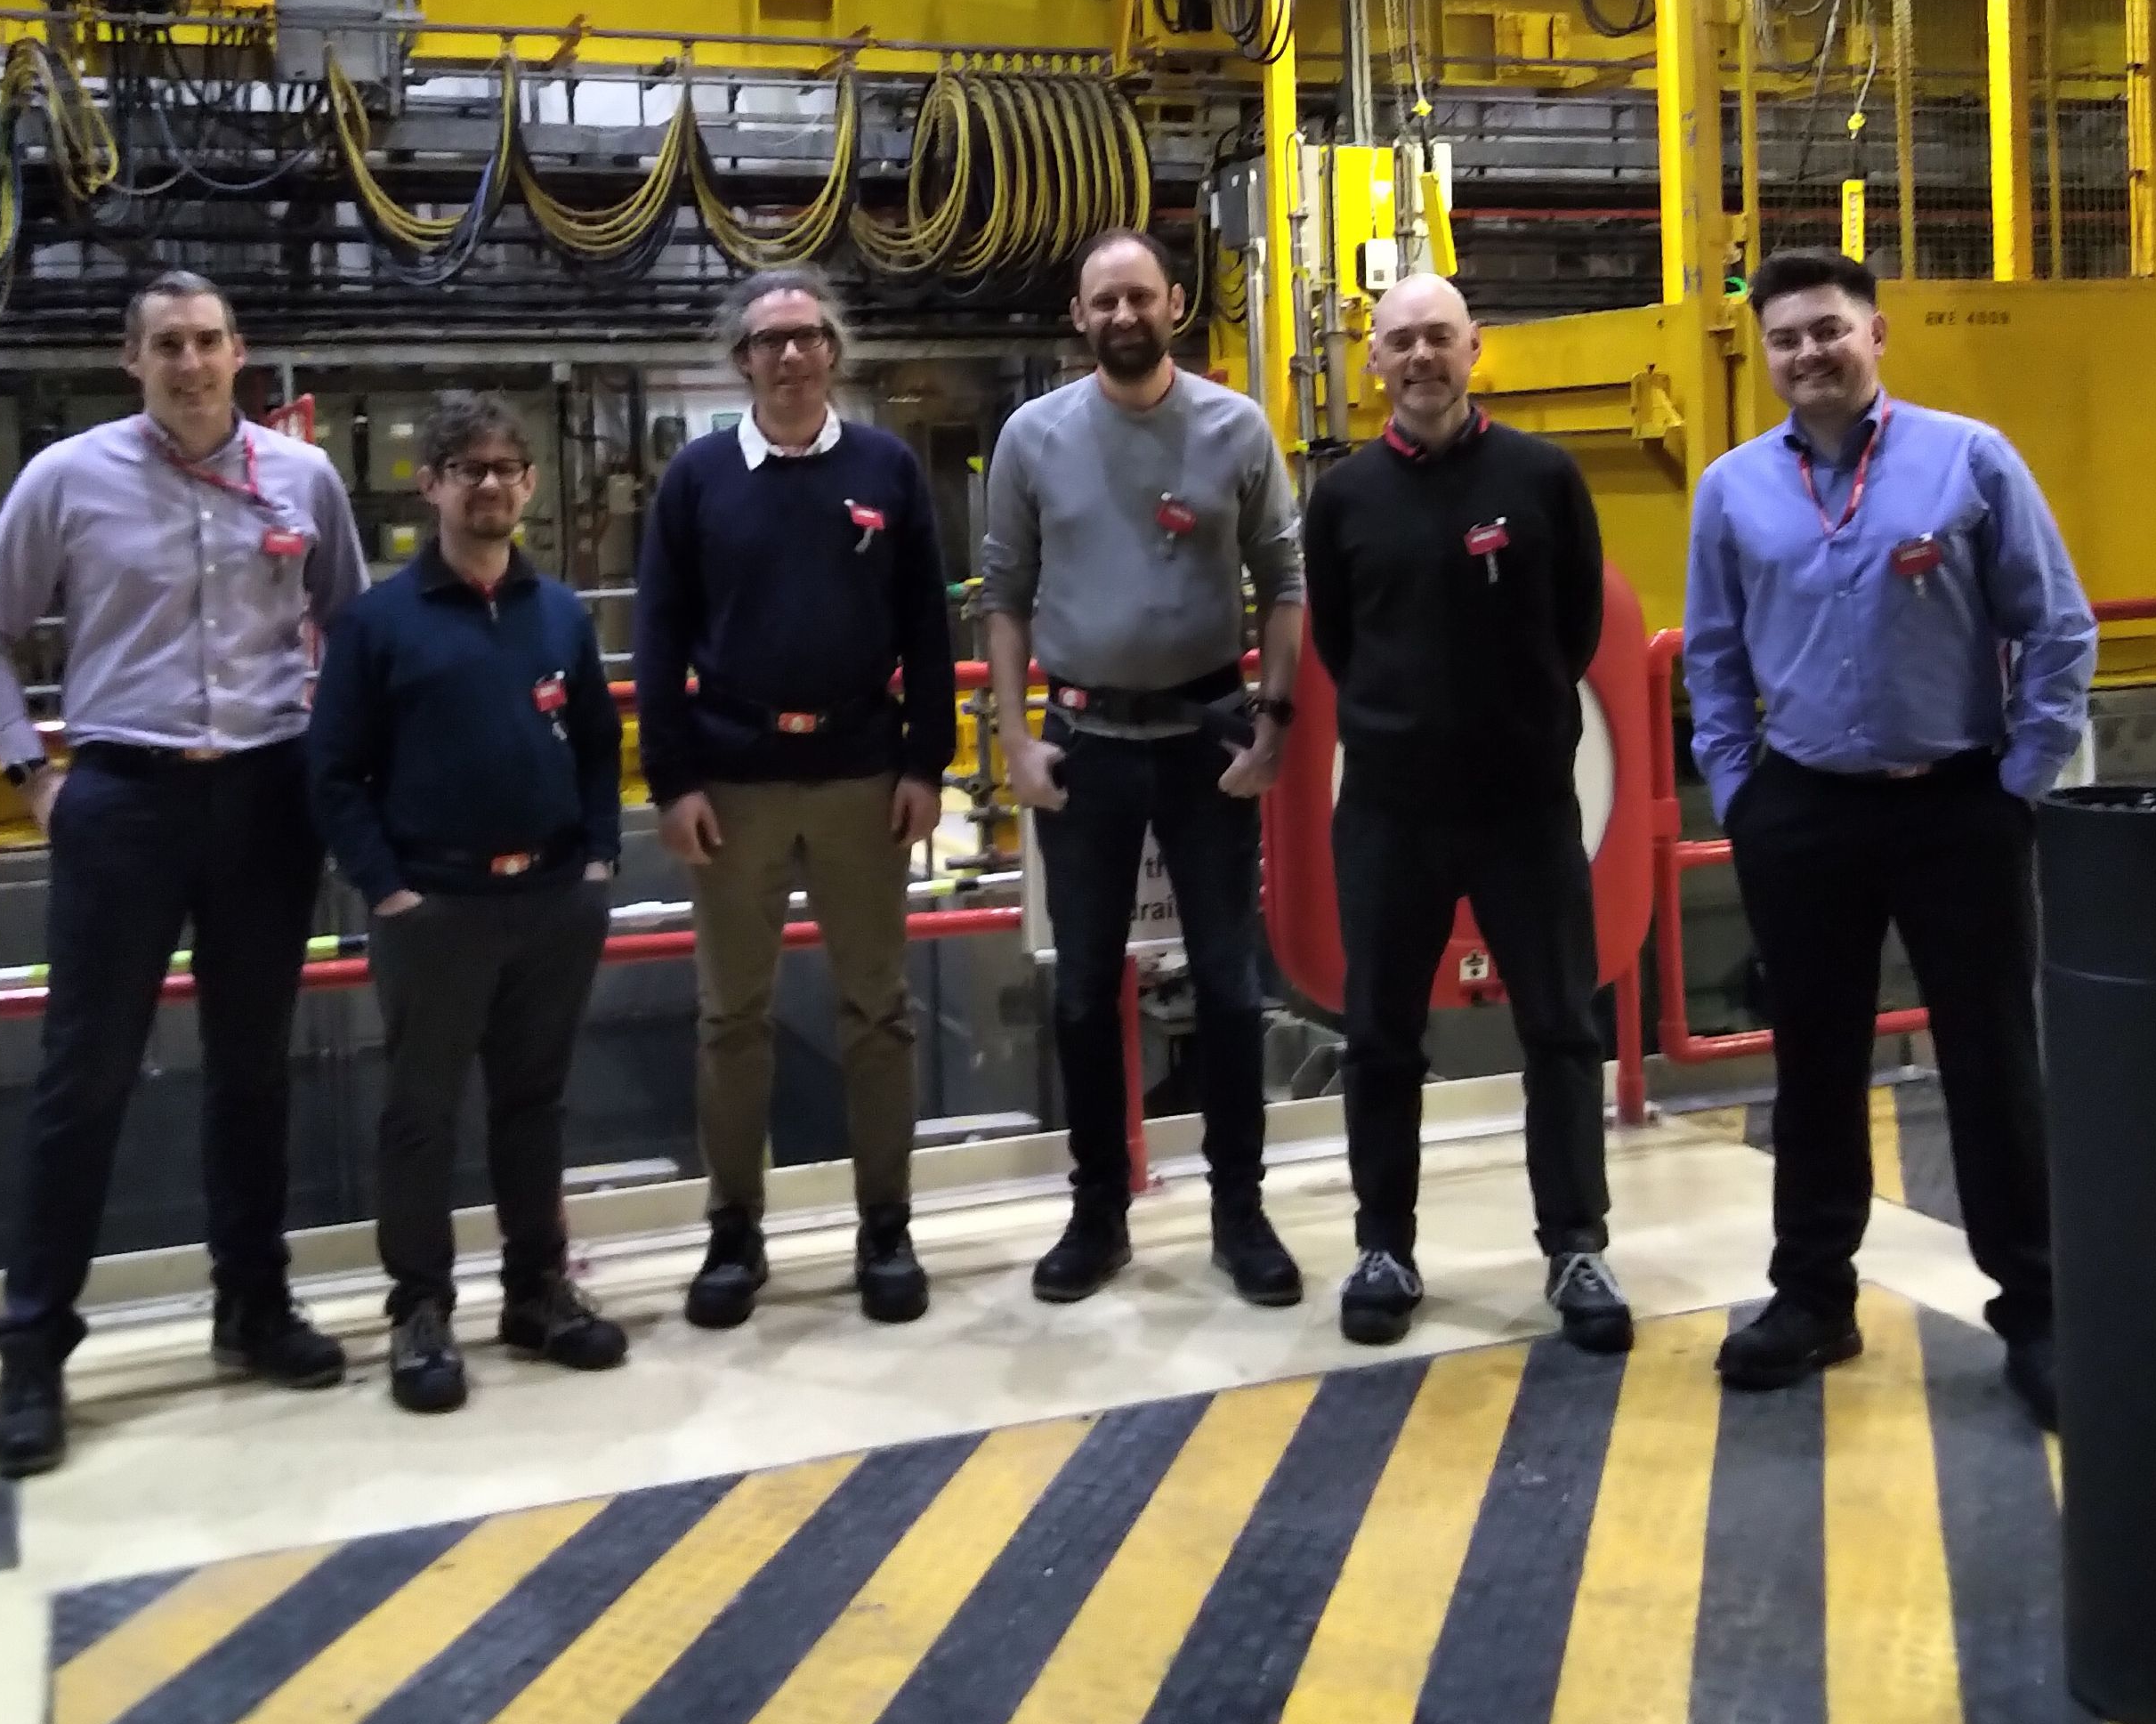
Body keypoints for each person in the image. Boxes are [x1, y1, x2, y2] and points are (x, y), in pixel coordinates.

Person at [0, 269, 369, 1478]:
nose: (190, 363)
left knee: (253, 1068)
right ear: (129, 361)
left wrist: (330, 760)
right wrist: (34, 773)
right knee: (83, 1077)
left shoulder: (304, 478)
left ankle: (253, 1306)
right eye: (166, 346)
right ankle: (33, 1353)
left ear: (241, 353)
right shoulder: (67, 478)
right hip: (122, 798)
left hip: (264, 795)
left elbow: (348, 622)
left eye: (208, 342)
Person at [1684, 247, 2094, 1429]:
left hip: (1957, 802)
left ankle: (2042, 1312)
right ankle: (1812, 1298)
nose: (1809, 352)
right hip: (1803, 809)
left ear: (1878, 335)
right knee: (1814, 1063)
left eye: (1829, 329)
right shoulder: (1734, 490)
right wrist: (1741, 788)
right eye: (1786, 338)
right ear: (1764, 355)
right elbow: (1712, 656)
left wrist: (2019, 780)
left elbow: (2056, 627)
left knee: (1992, 1060)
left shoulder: (1968, 460)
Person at [1302, 272, 1630, 1354]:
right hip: (1392, 810)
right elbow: (1341, 644)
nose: (1421, 357)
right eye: (1400, 341)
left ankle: (1576, 1245)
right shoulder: (1345, 498)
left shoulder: (1542, 477)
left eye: (1440, 337)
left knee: (1563, 1029)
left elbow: (1575, 625)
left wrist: (1511, 723)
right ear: (1375, 362)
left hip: (1525, 808)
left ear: (1474, 349)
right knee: (1383, 1035)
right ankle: (1384, 1247)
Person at [982, 227, 1305, 1308]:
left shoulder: (1235, 426)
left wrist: (1276, 726)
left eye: (1140, 298)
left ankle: (1239, 1215)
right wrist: (1016, 739)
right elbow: (1006, 595)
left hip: (1209, 742)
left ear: (1175, 304)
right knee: (1081, 994)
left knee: (1226, 986)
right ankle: (1097, 1213)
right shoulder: (1034, 437)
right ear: (1079, 316)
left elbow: (1285, 582)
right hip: (1082, 748)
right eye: (1102, 302)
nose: (1123, 316)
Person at [632, 265, 957, 1328]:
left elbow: (924, 626)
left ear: (832, 351)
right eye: (767, 341)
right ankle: (734, 1235)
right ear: (741, 361)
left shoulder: (886, 469)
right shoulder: (696, 480)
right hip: (735, 782)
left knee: (879, 1013)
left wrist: (926, 764)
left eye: (806, 336)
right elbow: (659, 636)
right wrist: (672, 779)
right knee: (732, 1018)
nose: (788, 355)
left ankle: (885, 1228)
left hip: (865, 778)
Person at [306, 393, 629, 1415]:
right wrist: (387, 888)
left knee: (534, 1105)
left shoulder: (560, 614)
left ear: (529, 483)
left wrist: (598, 865)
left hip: (550, 899)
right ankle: (420, 1310)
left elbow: (596, 744)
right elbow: (334, 772)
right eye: (467, 467)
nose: (489, 484)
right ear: (431, 483)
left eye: (505, 467)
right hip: (432, 904)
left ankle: (537, 1291)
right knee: (421, 1114)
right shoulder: (378, 623)